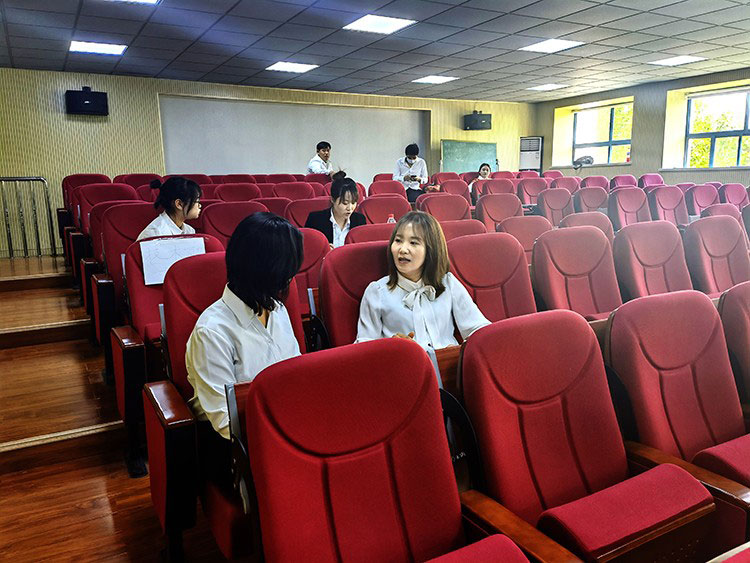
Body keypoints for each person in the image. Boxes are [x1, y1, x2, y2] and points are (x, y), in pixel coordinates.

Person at [186, 212, 303, 453]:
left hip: (288, 422)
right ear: (264, 271)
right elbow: (226, 422)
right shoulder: (212, 332)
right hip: (241, 445)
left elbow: (296, 372)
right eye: (286, 271)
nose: (290, 278)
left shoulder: (277, 309)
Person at [356, 211, 489, 350]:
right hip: (402, 362)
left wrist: (460, 350)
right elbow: (364, 347)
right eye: (398, 240)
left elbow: (479, 329)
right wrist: (390, 347)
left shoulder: (448, 283)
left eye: (413, 242)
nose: (403, 249)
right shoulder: (377, 292)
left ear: (431, 249)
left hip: (449, 361)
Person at [304, 174, 366, 248]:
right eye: (345, 203)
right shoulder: (315, 220)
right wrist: (323, 250)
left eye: (353, 203)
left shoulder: (360, 220)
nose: (349, 208)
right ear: (332, 200)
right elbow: (307, 248)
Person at [137, 177, 202, 240]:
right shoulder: (154, 234)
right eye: (197, 201)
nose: (200, 206)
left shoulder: (189, 231)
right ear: (179, 204)